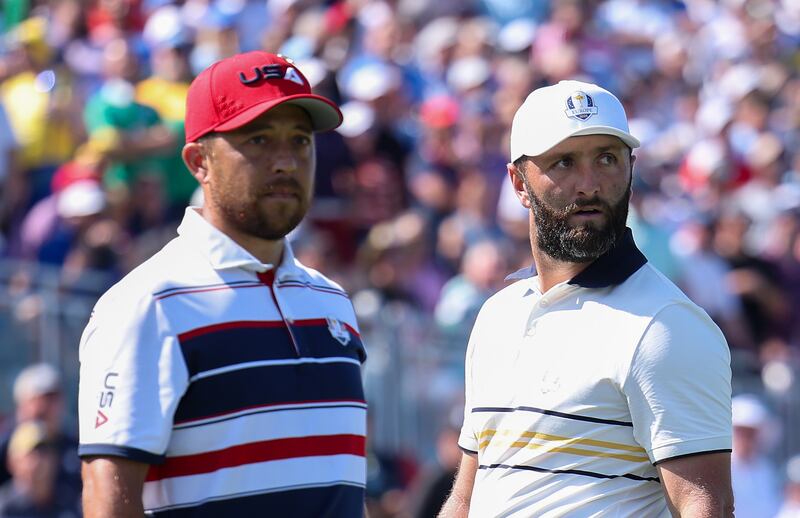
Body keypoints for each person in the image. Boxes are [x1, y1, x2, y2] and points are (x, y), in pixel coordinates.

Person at [78, 51, 368, 517]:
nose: (286, 162)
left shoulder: (332, 303)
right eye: (258, 140)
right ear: (199, 162)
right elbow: (108, 499)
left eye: (300, 141)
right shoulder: (146, 306)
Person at [439, 80, 733, 517]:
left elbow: (703, 506)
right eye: (564, 162)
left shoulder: (667, 326)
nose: (590, 184)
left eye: (607, 159)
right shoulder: (497, 314)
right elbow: (466, 498)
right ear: (519, 183)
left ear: (631, 172)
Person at [0, 363, 80, 492]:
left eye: (54, 400)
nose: (46, 408)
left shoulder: (73, 449)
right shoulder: (4, 447)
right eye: (40, 400)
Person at [0, 420, 82, 518]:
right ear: (12, 462)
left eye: (46, 451)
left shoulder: (70, 502)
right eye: (33, 452)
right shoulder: (5, 508)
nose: (41, 460)